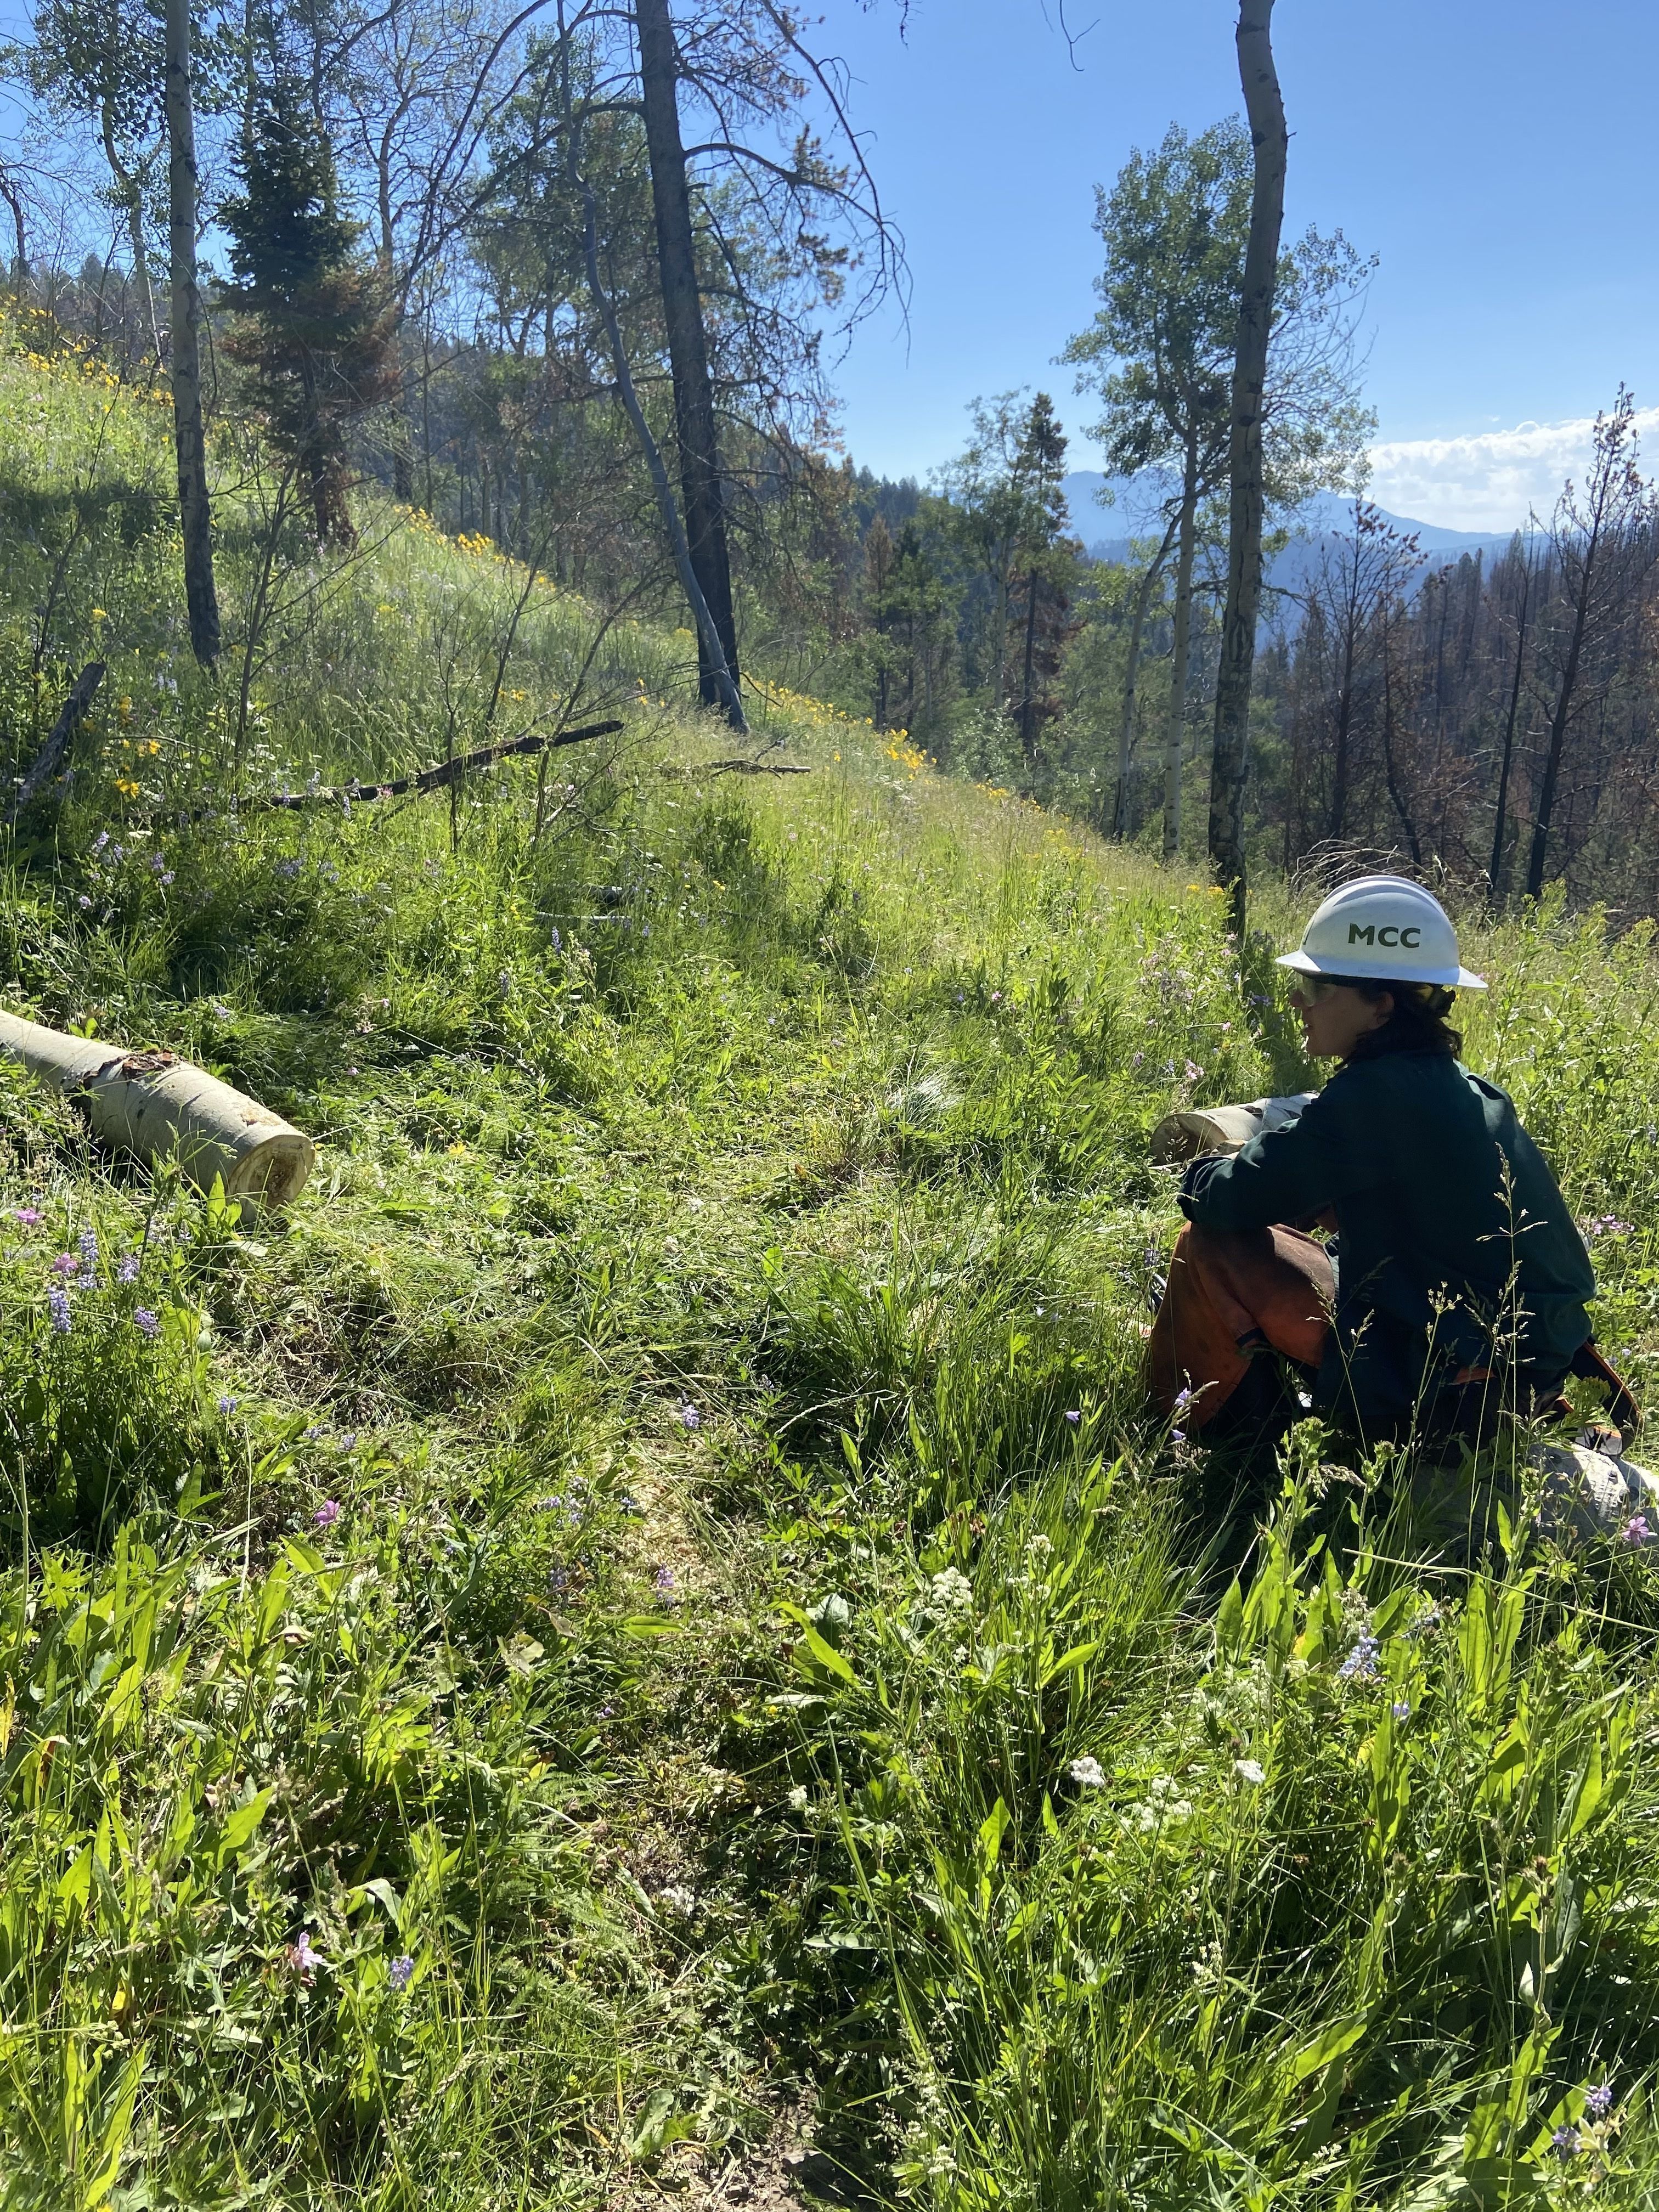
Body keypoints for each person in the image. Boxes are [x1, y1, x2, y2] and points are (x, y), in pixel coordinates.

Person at [1148, 876, 1635, 1466]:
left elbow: (1230, 1200)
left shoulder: (1376, 1097)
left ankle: (1218, 1442)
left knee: (1209, 1243)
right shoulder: (1462, 1089)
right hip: (1517, 1370)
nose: (1299, 1001)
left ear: (1381, 1005)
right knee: (1303, 1246)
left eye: (1317, 985)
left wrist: (1201, 1171)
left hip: (1450, 1390)